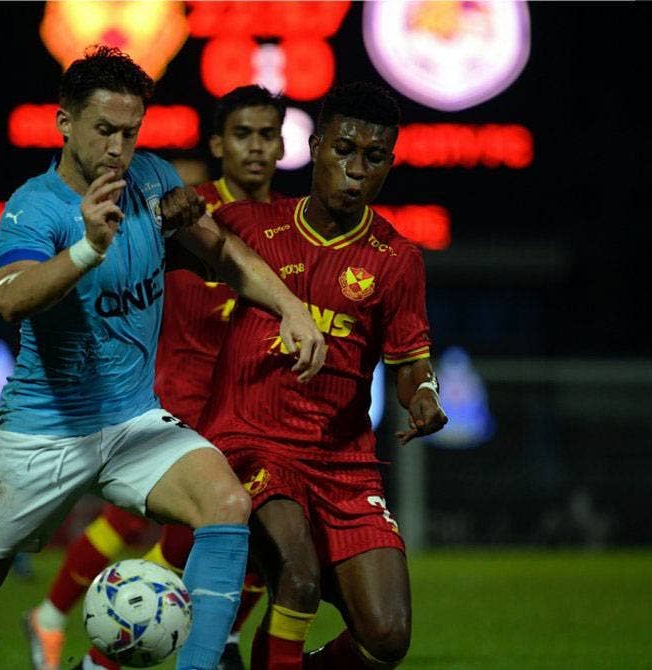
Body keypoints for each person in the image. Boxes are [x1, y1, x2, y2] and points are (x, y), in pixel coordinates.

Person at [0, 48, 325, 670]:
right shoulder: (35, 206)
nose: (117, 146)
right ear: (64, 123)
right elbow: (10, 298)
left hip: (133, 423)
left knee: (226, 502)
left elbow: (226, 257)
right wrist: (86, 248)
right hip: (41, 435)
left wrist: (290, 307)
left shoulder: (154, 182)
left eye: (130, 132)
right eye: (104, 129)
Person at [25, 85, 287, 670]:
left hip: (253, 409)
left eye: (267, 135)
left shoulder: (287, 223)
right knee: (176, 535)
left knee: (246, 540)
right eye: (242, 134)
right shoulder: (179, 207)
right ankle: (87, 640)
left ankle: (205, 640)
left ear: (284, 144)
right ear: (219, 143)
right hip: (179, 399)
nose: (255, 148)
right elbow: (100, 267)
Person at [200, 82, 448, 670]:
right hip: (253, 442)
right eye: (344, 149)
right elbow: (158, 242)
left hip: (343, 464)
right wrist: (173, 207)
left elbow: (411, 364)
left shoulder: (397, 259)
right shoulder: (251, 224)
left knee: (386, 638)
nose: (357, 170)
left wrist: (425, 395)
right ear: (314, 145)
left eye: (375, 157)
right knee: (299, 576)